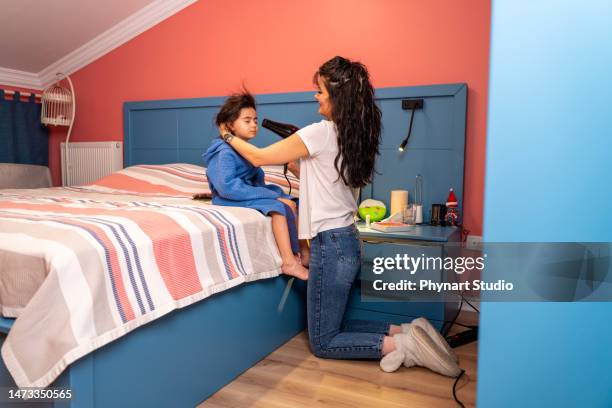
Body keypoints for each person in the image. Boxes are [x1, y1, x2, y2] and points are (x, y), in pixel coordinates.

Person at [217, 57, 460, 376]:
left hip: (330, 245)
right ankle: (407, 330)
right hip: (346, 240)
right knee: (337, 324)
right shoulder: (353, 135)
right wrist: (301, 169)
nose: (315, 97)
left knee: (324, 342)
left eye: (319, 91)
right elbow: (328, 179)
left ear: (335, 94)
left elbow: (260, 157)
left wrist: (228, 135)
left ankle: (403, 347)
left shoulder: (320, 132)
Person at [203, 91, 308, 280]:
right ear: (229, 126)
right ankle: (289, 261)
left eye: (255, 120)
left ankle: (305, 252)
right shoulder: (223, 153)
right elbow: (227, 187)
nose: (254, 125)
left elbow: (256, 179)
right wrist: (268, 196)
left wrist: (269, 192)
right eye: (247, 120)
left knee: (293, 201)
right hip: (228, 197)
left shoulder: (245, 150)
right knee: (278, 207)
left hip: (245, 193)